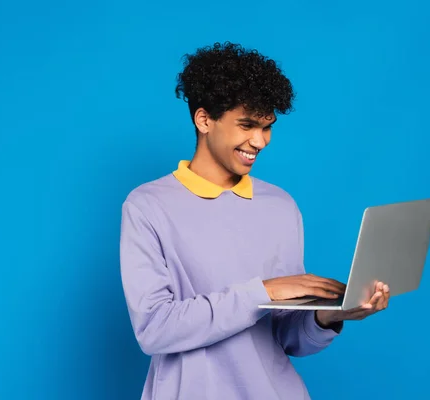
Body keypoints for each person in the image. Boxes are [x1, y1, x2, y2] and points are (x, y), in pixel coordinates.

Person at [119, 42, 390, 400]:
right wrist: (264, 291)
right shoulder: (148, 205)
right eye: (246, 125)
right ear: (204, 120)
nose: (259, 141)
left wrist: (329, 316)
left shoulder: (280, 205)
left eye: (267, 127)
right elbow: (154, 329)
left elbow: (287, 337)